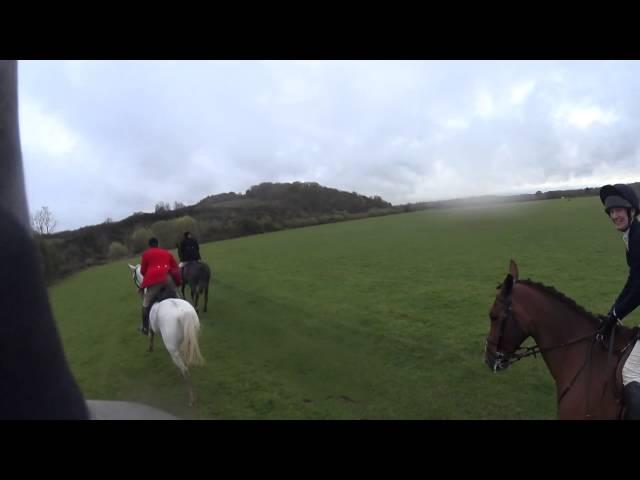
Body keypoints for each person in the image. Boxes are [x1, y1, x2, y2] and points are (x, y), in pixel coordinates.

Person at [599, 183, 640, 419]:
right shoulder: (632, 236)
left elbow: (639, 288)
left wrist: (614, 316)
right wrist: (613, 311)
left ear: (631, 210)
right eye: (611, 212)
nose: (615, 215)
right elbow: (634, 280)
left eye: (619, 210)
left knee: (631, 371)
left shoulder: (637, 236)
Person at [139, 237, 181, 335]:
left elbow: (142, 271)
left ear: (149, 246)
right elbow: (175, 266)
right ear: (158, 244)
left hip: (154, 280)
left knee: (145, 304)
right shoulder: (167, 252)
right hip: (167, 278)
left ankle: (145, 327)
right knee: (178, 297)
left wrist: (150, 276)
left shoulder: (145, 254)